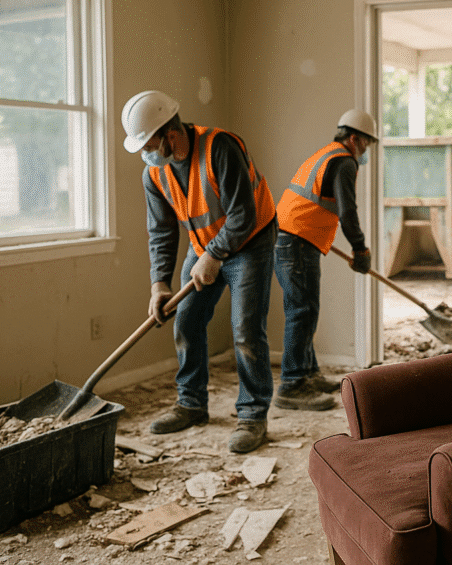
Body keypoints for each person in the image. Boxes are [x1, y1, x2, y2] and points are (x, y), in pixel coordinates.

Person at [121, 90, 278, 455]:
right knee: (186, 322)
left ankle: (253, 415)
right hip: (204, 245)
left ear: (170, 133)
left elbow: (243, 214)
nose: (145, 152)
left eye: (148, 142)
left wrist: (216, 255)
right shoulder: (154, 174)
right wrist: (159, 283)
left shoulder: (219, 147)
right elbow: (161, 231)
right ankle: (191, 404)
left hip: (250, 242)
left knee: (245, 331)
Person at [273, 110, 377, 410]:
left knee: (306, 309)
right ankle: (292, 385)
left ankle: (308, 373)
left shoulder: (326, 154)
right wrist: (360, 249)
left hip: (294, 236)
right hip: (296, 240)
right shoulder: (344, 162)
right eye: (367, 144)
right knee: (302, 311)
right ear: (354, 138)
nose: (366, 151)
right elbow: (348, 211)